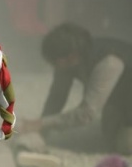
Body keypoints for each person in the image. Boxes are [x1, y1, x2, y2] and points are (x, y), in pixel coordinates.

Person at [19, 22, 132, 155]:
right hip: (120, 100)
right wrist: (41, 130)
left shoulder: (110, 63)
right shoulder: (71, 58)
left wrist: (40, 123)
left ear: (71, 57)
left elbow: (86, 114)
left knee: (126, 145)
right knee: (109, 132)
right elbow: (57, 96)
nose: (54, 66)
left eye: (55, 62)